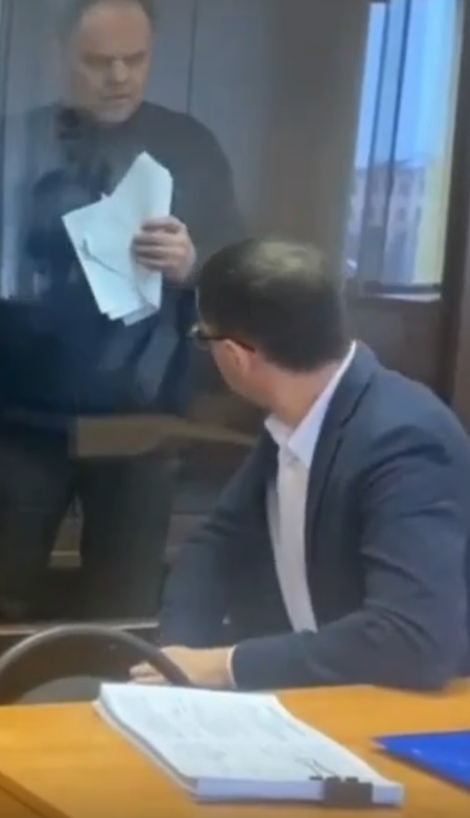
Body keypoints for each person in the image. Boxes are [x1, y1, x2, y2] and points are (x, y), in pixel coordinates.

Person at [0, 0, 244, 622]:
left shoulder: (191, 147)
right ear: (60, 54)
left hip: (143, 417)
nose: (119, 76)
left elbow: (239, 275)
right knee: (0, 597)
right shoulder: (14, 141)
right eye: (98, 61)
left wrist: (192, 264)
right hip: (23, 411)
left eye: (135, 59)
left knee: (127, 602)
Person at [136, 239, 470, 691]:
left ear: (235, 355)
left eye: (202, 337)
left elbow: (412, 638)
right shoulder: (296, 418)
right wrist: (177, 659)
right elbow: (216, 545)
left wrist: (224, 665)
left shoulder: (404, 438)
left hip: (404, 710)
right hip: (317, 696)